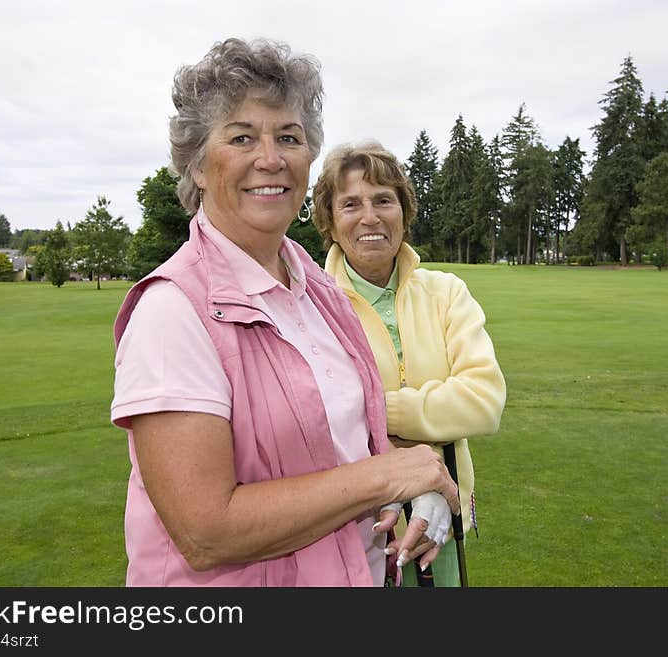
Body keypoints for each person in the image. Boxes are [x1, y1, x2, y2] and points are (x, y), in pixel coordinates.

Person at [110, 38, 459, 587]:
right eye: (242, 136)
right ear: (197, 167)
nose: (271, 158)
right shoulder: (171, 313)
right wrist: (384, 477)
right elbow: (206, 532)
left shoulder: (315, 285)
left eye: (289, 138)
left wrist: (416, 478)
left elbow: (336, 440)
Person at [312, 140, 507, 586]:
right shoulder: (312, 304)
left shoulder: (446, 292)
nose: (370, 217)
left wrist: (380, 410)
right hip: (356, 525)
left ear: (404, 210)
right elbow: (323, 423)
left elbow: (484, 400)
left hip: (443, 515)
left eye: (384, 200)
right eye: (350, 204)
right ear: (330, 220)